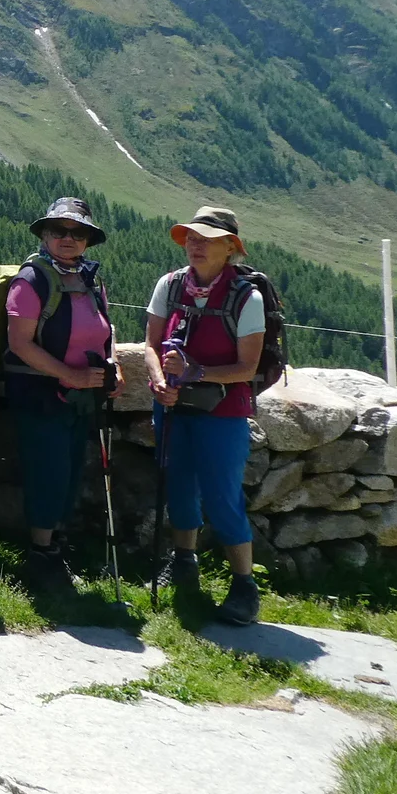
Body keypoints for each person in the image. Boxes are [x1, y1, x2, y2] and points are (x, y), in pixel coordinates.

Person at [144, 206, 265, 626]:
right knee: (178, 484)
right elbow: (151, 345)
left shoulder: (247, 297)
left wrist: (195, 373)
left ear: (229, 248)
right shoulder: (170, 285)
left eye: (206, 239)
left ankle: (245, 585)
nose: (194, 245)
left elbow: (247, 368)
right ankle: (183, 561)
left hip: (224, 412)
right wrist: (160, 381)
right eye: (191, 237)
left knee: (221, 494)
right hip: (174, 405)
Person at [4, 197, 118, 593]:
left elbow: (107, 331)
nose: (68, 238)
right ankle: (40, 557)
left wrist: (109, 368)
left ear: (88, 239)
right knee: (48, 476)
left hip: (80, 398)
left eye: (78, 232)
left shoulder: (90, 279)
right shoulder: (31, 280)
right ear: (45, 235)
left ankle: (55, 549)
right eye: (59, 230)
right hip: (41, 395)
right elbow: (19, 343)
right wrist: (71, 375)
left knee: (68, 475)